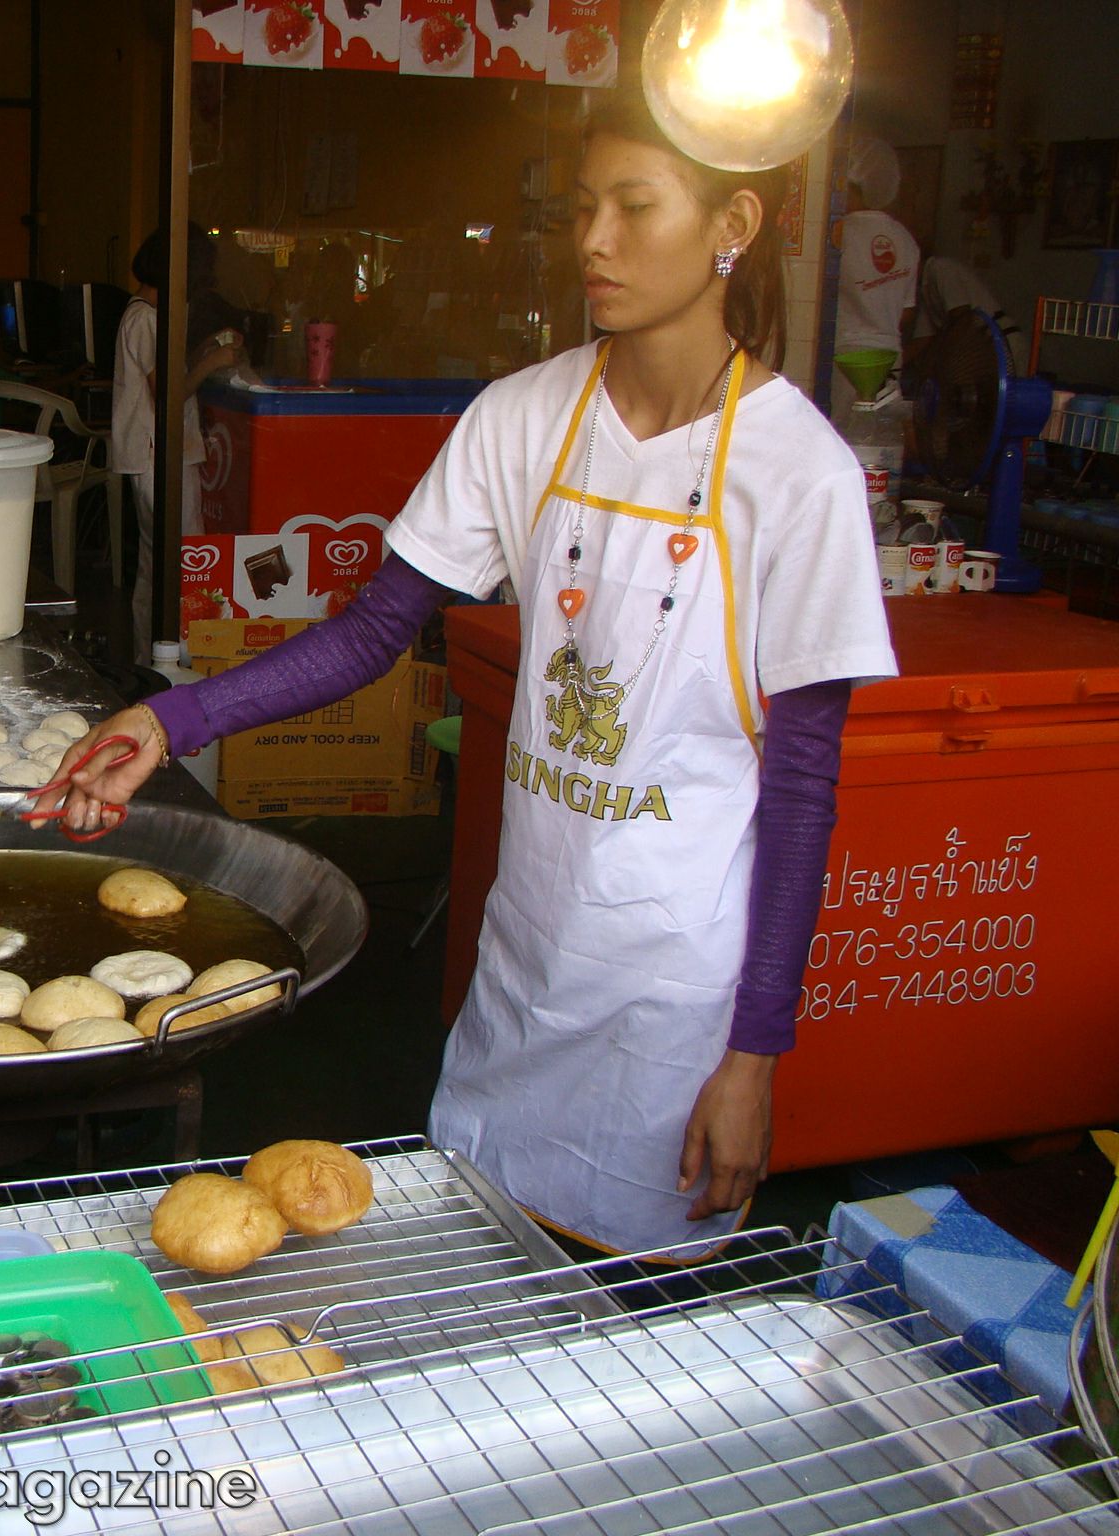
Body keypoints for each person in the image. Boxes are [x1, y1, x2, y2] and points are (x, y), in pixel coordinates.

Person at [48, 90, 896, 1259]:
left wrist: (754, 1059)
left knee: (626, 1317)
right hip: (526, 962)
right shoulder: (524, 417)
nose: (591, 240)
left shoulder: (796, 473)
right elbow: (368, 633)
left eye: (633, 207)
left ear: (731, 222)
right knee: (481, 1261)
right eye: (582, 206)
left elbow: (801, 794)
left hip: (674, 1005)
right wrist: (169, 715)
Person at [113, 224, 241, 663]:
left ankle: (149, 656)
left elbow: (170, 376)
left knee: (157, 561)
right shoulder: (146, 320)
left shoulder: (144, 316)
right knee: (185, 557)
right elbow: (169, 395)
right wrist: (213, 362)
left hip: (152, 455)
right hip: (158, 455)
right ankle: (179, 654)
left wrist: (205, 349)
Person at [832, 135, 919, 416]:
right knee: (880, 437)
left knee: (842, 436)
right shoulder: (906, 240)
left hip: (846, 356)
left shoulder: (839, 234)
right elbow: (907, 313)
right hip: (889, 356)